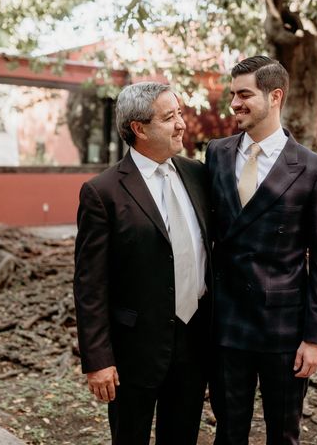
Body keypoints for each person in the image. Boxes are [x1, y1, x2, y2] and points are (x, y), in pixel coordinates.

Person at [205, 56, 317, 445]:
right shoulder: (216, 153)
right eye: (233, 95)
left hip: (284, 331)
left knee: (284, 434)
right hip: (226, 325)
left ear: (274, 96)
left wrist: (316, 339)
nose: (235, 104)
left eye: (245, 94)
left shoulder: (314, 170)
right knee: (229, 433)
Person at [73, 82, 211, 445]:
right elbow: (90, 285)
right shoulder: (102, 193)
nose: (181, 123)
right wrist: (98, 360)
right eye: (170, 117)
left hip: (194, 341)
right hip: (133, 350)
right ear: (140, 128)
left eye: (180, 113)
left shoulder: (196, 174)